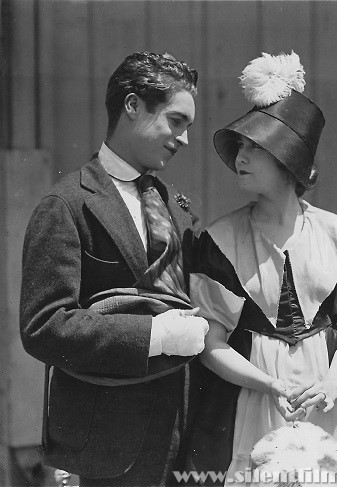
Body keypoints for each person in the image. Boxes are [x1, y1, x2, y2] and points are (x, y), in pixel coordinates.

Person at [184, 51, 337, 484]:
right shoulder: (219, 243)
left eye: (254, 148)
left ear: (289, 162)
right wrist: (270, 384)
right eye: (239, 145)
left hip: (326, 402)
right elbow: (211, 344)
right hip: (247, 401)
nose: (240, 157)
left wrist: (332, 384)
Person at [19, 52, 210, 486]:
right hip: (109, 447)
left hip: (185, 439)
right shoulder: (67, 205)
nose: (184, 139)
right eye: (176, 121)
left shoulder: (174, 206)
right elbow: (43, 325)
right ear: (132, 106)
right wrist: (152, 337)